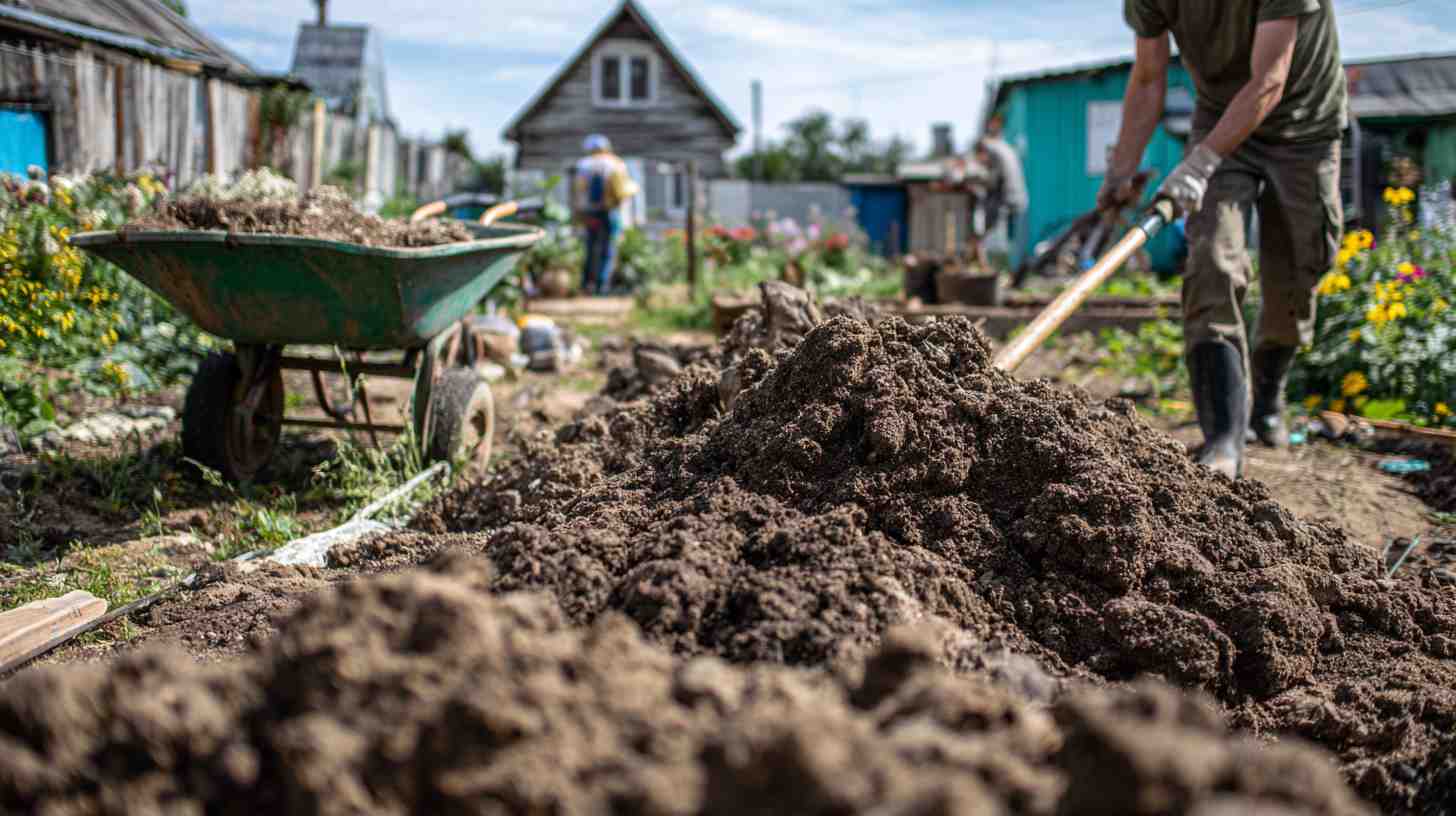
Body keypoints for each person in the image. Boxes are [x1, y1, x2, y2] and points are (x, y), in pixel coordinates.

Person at [1100, 0, 1347, 478]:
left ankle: (1267, 398)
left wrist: (1199, 164)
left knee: (1297, 273)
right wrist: (1121, 170)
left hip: (1305, 128)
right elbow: (1148, 78)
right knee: (1212, 261)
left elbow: (1269, 80)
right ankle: (1223, 441)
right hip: (1220, 120)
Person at [573, 135, 639, 296]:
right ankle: (602, 286)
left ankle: (586, 284)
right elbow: (623, 190)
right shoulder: (616, 163)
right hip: (610, 211)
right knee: (608, 247)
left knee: (590, 246)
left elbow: (578, 191)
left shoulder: (583, 165)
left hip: (590, 212)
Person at [975, 113, 1030, 266]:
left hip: (1006, 200)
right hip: (1019, 199)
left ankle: (998, 269)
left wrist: (979, 181)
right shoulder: (1006, 147)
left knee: (998, 243)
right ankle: (1011, 270)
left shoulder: (992, 149)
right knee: (1013, 243)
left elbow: (993, 181)